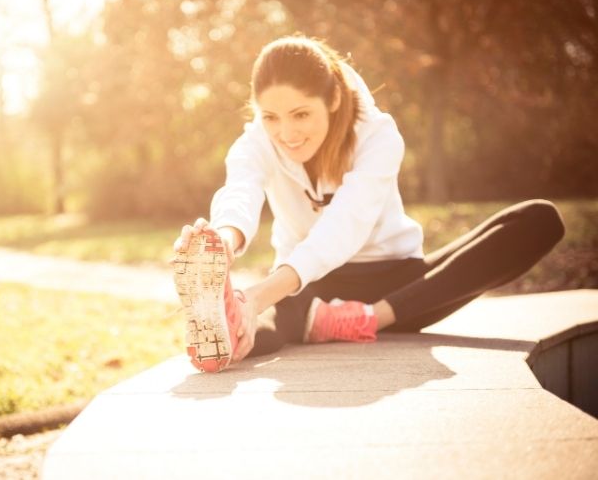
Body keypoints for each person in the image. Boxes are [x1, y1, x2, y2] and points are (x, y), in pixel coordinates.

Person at [171, 35, 565, 373]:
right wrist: (224, 240)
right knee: (263, 321)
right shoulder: (256, 141)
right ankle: (229, 327)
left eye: (301, 114)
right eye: (270, 117)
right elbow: (241, 188)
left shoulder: (378, 137)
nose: (285, 133)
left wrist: (259, 294)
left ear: (334, 99)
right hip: (306, 287)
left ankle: (360, 320)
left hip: (397, 286)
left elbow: (345, 226)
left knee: (538, 220)